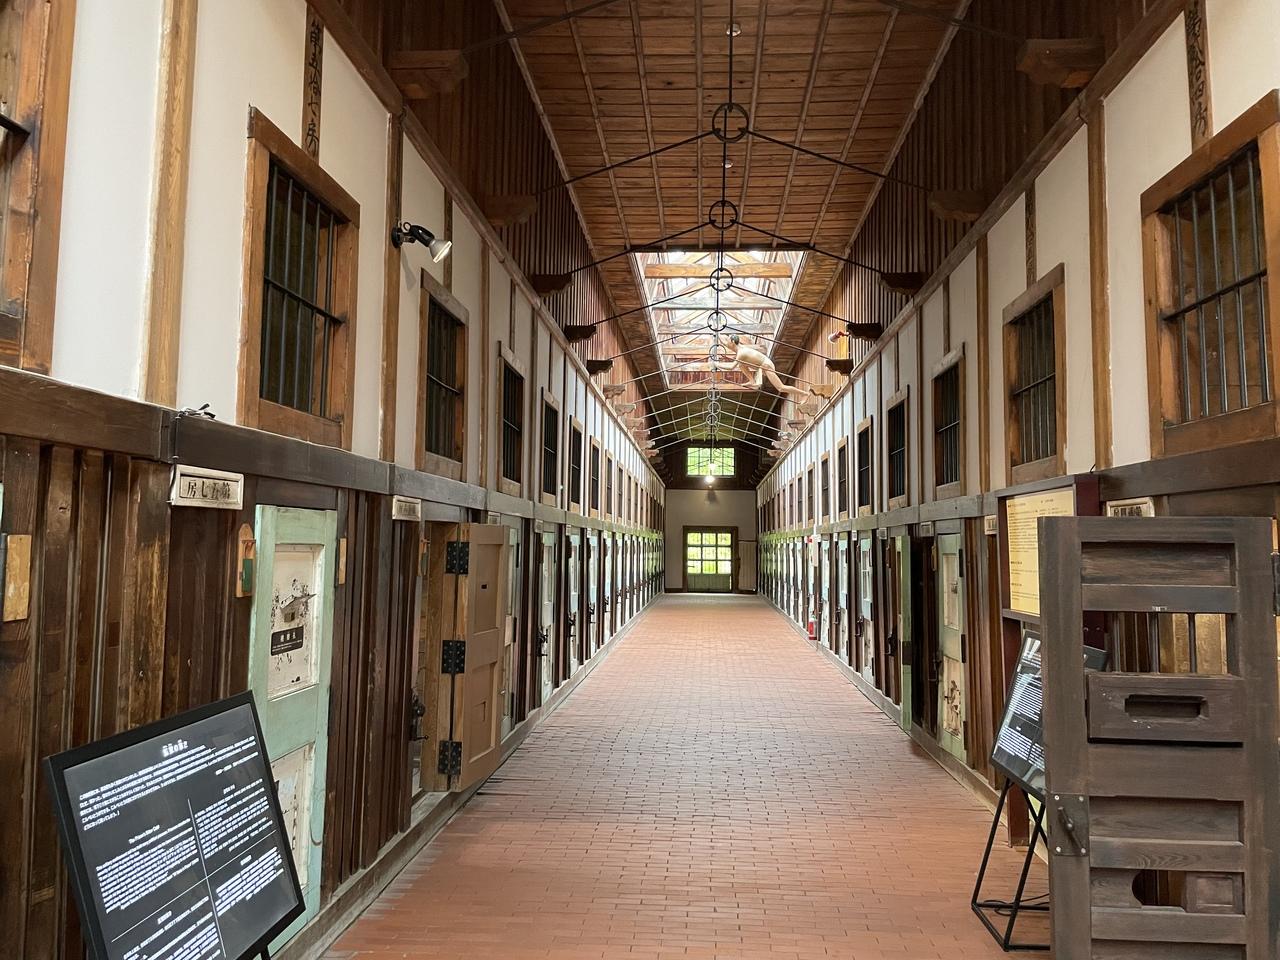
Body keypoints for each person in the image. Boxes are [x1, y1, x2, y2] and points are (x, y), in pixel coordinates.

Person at [712, 334, 812, 399]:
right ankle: (752, 381)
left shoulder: (741, 353)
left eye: (728, 341)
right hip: (761, 366)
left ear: (733, 342)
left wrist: (716, 364)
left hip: (766, 366)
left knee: (781, 387)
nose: (727, 343)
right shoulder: (737, 348)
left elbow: (731, 367)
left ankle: (805, 394)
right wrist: (717, 334)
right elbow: (725, 343)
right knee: (741, 365)